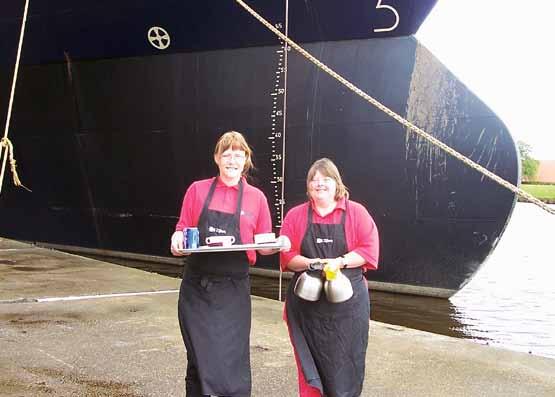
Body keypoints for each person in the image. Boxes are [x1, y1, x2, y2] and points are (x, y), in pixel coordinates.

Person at [170, 131, 289, 397]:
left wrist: (282, 244)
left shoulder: (256, 198)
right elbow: (182, 229)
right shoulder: (197, 190)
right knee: (199, 356)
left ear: (246, 159)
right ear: (217, 158)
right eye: (227, 154)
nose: (232, 160)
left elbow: (264, 243)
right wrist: (177, 239)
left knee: (231, 358)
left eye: (238, 154)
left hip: (234, 290)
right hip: (197, 288)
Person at [279, 158, 379, 397]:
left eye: (325, 179)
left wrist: (340, 261)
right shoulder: (296, 215)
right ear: (308, 186)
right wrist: (312, 263)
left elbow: (369, 250)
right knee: (309, 368)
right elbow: (288, 256)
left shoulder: (357, 213)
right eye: (314, 179)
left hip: (348, 308)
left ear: (337, 183)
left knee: (347, 366)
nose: (319, 184)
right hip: (307, 307)